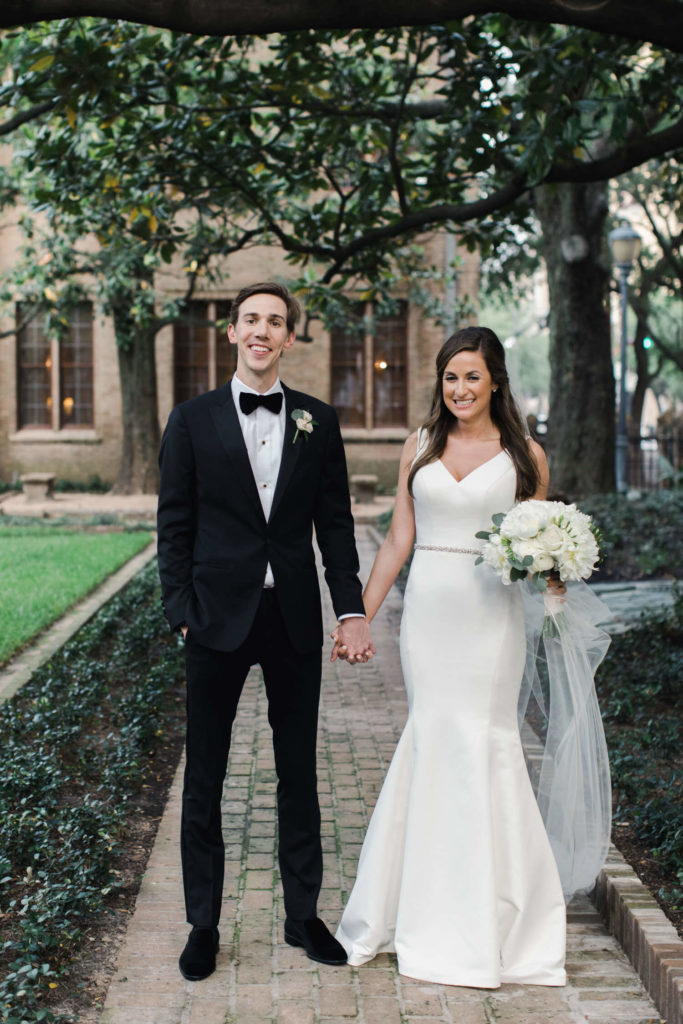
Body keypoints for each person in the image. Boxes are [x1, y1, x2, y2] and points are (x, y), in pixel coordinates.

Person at [335, 325, 568, 987]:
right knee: (433, 738)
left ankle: (494, 921)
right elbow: (394, 543)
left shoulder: (525, 454)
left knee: (486, 742)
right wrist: (358, 616)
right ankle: (421, 909)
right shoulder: (419, 446)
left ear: (494, 379)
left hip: (491, 617)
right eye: (450, 376)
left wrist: (553, 569)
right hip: (431, 613)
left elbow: (540, 540)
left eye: (472, 375)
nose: (460, 388)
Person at [157, 282, 374, 982]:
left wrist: (349, 609)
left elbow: (335, 525)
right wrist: (179, 607)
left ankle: (302, 914)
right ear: (232, 332)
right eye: (250, 318)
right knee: (207, 778)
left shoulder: (318, 420)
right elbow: (174, 524)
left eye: (274, 322)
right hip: (215, 618)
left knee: (298, 773)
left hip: (291, 622)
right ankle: (203, 925)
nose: (261, 330)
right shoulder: (190, 420)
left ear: (287, 338)